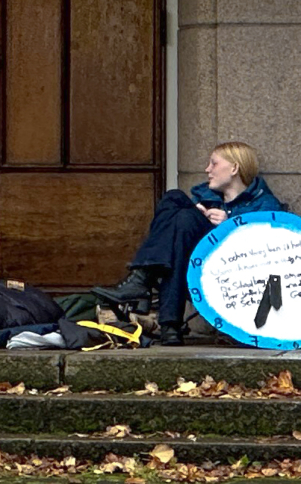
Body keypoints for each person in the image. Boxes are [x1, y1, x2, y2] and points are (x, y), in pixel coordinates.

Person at [100, 141, 284, 346]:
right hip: (196, 269)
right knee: (174, 200)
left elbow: (269, 249)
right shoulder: (206, 199)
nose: (207, 170)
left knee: (184, 220)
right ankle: (161, 310)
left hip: (233, 279)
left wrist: (229, 223)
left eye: (214, 164)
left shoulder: (265, 203)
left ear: (234, 168)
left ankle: (150, 293)